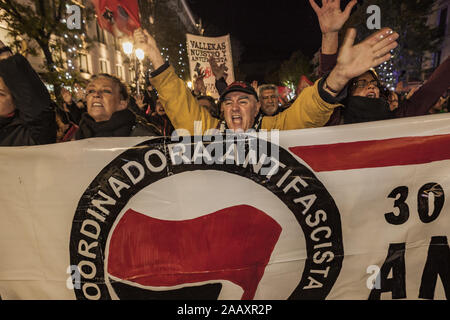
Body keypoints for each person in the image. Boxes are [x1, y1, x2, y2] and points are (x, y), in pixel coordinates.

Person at [134, 27, 399, 134]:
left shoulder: (277, 129)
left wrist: (340, 77)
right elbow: (178, 102)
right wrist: (155, 56)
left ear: (258, 106)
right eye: (228, 102)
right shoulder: (208, 131)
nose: (235, 106)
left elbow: (308, 112)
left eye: (243, 101)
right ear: (221, 110)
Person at [310, 0, 450, 125]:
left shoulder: (395, 119)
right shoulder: (336, 119)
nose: (371, 87)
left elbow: (431, 89)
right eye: (362, 83)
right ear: (348, 94)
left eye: (374, 83)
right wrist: (330, 34)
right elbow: (327, 88)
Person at [0, 40, 56, 146]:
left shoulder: (31, 134)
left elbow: (37, 107)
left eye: (0, 94)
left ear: (16, 101)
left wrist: (5, 57)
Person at [74, 73, 160, 139]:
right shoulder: (75, 140)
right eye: (91, 91)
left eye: (106, 91)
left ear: (122, 104)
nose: (96, 94)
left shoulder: (143, 138)